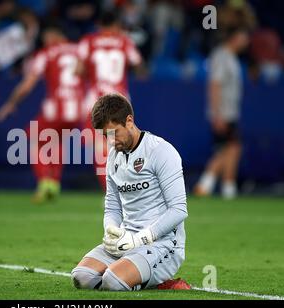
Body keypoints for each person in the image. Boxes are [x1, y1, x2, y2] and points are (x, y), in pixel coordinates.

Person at [71, 94, 189, 291]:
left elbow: (179, 210)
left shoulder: (161, 151)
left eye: (114, 133)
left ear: (129, 121)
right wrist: (111, 230)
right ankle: (134, 275)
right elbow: (112, 206)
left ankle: (160, 281)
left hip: (162, 244)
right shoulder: (113, 157)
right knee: (81, 277)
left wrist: (141, 238)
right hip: (126, 241)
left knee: (112, 281)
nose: (111, 141)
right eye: (105, 136)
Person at [0, 23, 84, 203]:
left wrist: (11, 103)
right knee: (58, 140)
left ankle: (45, 181)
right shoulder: (79, 50)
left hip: (55, 107)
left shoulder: (47, 53)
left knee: (35, 139)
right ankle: (54, 183)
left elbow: (28, 84)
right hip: (77, 108)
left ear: (53, 34)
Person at [76, 11, 144, 190]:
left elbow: (78, 70)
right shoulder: (124, 41)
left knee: (100, 147)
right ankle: (130, 188)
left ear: (99, 25)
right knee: (124, 144)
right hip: (120, 102)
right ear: (116, 25)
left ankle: (110, 191)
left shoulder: (88, 41)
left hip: (96, 101)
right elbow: (139, 66)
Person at [194, 26, 249, 199]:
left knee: (230, 149)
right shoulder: (221, 56)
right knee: (231, 148)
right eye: (243, 36)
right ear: (235, 37)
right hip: (223, 112)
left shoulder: (232, 57)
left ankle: (220, 187)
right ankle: (212, 186)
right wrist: (217, 114)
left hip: (230, 112)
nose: (246, 41)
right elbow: (214, 85)